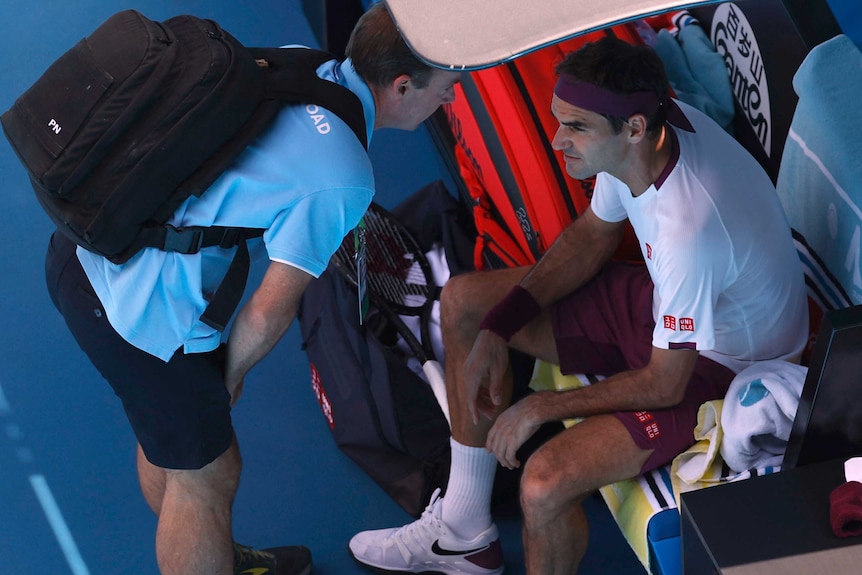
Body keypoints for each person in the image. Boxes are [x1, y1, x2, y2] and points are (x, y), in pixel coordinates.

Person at [348, 35, 807, 574]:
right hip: (667, 312)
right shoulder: (641, 140)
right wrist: (500, 327)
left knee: (543, 483)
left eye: (576, 127)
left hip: (720, 367)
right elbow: (592, 236)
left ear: (633, 129)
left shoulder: (690, 229)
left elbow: (665, 385)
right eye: (559, 120)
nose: (558, 141)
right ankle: (463, 530)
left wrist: (539, 406)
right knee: (465, 302)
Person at [43, 3, 461, 575]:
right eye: (447, 88)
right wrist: (228, 379)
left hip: (80, 248)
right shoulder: (344, 174)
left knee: (174, 437)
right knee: (206, 475)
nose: (451, 101)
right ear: (405, 85)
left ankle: (208, 549)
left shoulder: (298, 63)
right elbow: (268, 312)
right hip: (135, 309)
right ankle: (202, 549)